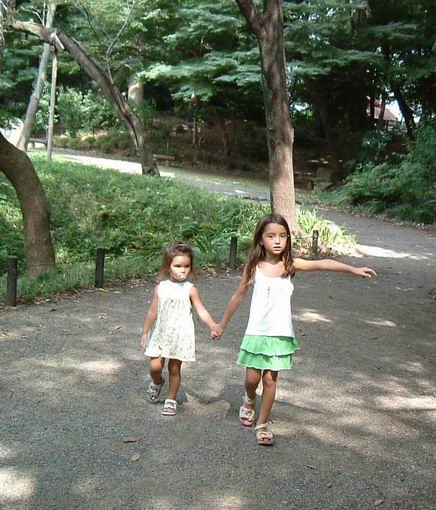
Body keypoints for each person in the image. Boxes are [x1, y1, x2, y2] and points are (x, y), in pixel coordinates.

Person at [212, 213, 376, 446]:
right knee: (251, 379)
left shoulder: (290, 265)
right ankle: (249, 398)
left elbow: (323, 264)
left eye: (282, 236)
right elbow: (238, 295)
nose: (277, 241)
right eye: (271, 236)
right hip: (256, 333)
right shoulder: (254, 267)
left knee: (270, 380)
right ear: (261, 240)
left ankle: (262, 424)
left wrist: (352, 269)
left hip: (280, 334)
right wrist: (222, 324)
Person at [140, 241, 219, 416]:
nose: (182, 270)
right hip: (161, 334)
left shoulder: (190, 290)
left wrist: (213, 325)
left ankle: (171, 399)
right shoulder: (161, 288)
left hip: (180, 336)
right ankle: (157, 382)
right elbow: (152, 312)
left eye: (186, 266)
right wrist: (145, 332)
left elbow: (201, 310)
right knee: (155, 366)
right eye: (177, 266)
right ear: (168, 266)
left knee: (174, 369)